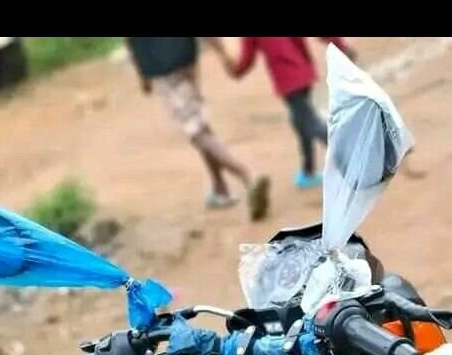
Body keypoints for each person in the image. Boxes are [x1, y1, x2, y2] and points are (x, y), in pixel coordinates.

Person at [125, 37, 270, 220]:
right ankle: (220, 188)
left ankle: (247, 176)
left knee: (195, 130)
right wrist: (221, 52)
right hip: (186, 57)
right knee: (198, 122)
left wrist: (141, 73)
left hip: (162, 68)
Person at [223, 37, 356, 190]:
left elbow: (247, 59)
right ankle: (308, 171)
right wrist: (341, 46)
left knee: (309, 124)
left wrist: (235, 71)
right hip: (303, 71)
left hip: (288, 80)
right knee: (301, 122)